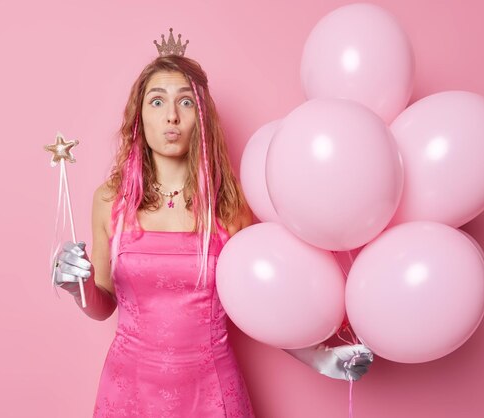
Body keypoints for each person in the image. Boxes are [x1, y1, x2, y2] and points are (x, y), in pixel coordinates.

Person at [53, 30, 373, 418]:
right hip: (128, 393)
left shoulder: (228, 206)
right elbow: (102, 305)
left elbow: (262, 303)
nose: (171, 115)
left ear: (201, 117)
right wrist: (78, 286)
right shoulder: (110, 200)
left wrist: (321, 359)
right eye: (157, 102)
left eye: (185, 102)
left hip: (211, 393)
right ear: (140, 117)